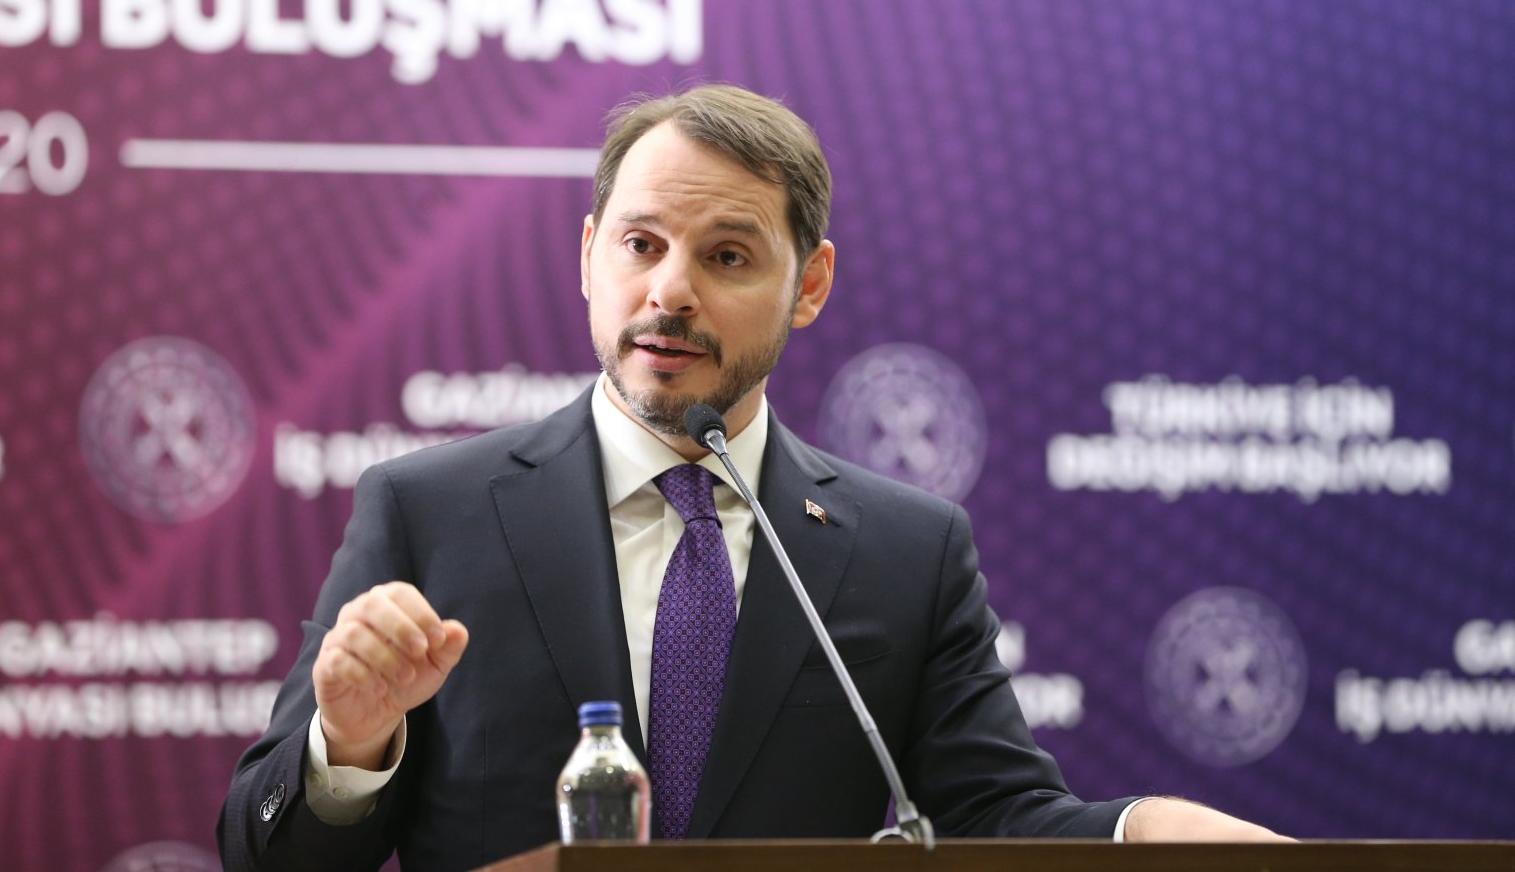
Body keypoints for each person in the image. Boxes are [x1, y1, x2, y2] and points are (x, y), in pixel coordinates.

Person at [218, 84, 1287, 871]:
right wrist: (348, 744)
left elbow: (995, 812)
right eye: (639, 245)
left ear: (808, 283)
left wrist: (1143, 828)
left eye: (727, 256)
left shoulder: (904, 552)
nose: (668, 292)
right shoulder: (432, 511)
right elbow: (261, 854)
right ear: (589, 255)